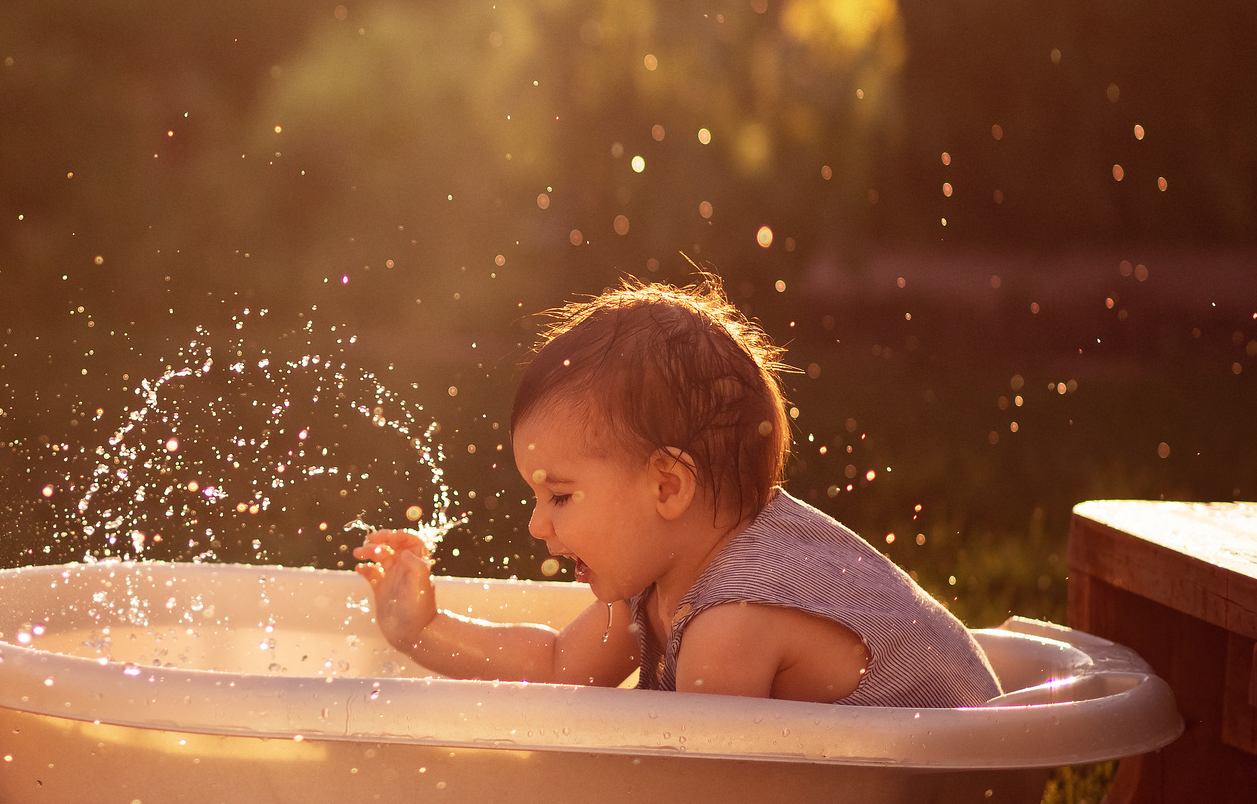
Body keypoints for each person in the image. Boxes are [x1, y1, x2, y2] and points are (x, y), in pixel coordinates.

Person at [352, 277, 1000, 707]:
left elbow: (688, 797)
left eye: (561, 497)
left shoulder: (729, 625)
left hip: (948, 789)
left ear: (667, 486)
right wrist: (424, 630)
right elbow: (555, 666)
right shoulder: (661, 566)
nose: (536, 526)